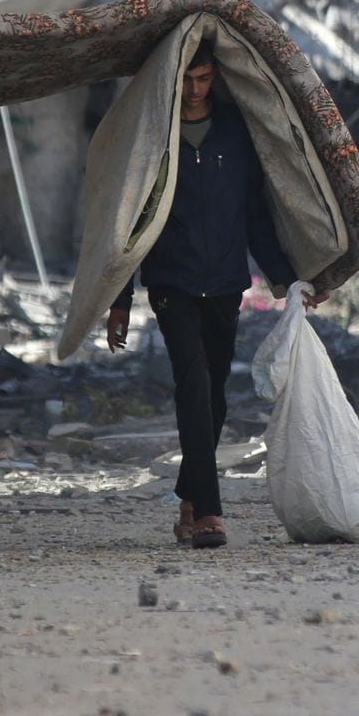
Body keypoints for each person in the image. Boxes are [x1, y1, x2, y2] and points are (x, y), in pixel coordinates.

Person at [106, 41, 318, 549]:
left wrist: (287, 281)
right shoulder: (154, 135)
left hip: (225, 282)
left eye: (203, 79)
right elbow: (129, 220)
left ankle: (187, 498)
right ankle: (209, 512)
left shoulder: (235, 133)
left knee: (215, 392)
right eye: (186, 80)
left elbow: (255, 217)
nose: (194, 90)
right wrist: (120, 299)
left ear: (215, 78)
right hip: (171, 282)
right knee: (194, 383)